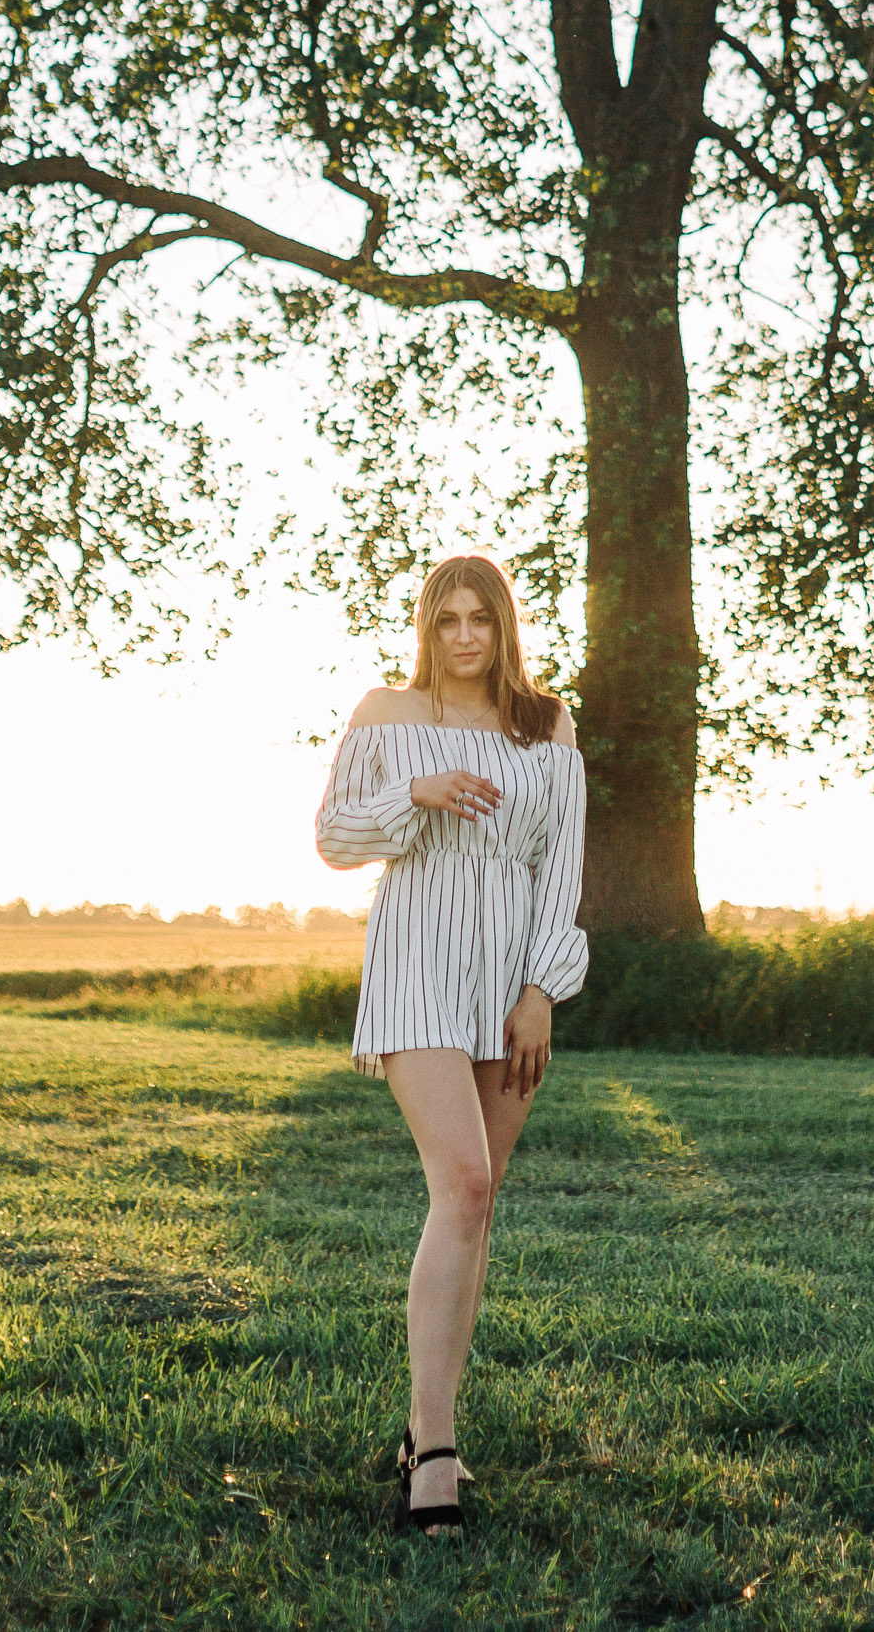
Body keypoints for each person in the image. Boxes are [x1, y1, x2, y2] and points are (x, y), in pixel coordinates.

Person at [314, 552, 588, 1538]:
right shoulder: (385, 711)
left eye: (481, 618)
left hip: (507, 974)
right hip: (416, 958)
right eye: (447, 619)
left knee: (474, 1209)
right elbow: (335, 836)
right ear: (426, 626)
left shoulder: (545, 724)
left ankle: (429, 1425)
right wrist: (413, 791)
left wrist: (539, 991)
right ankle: (433, 1452)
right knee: (461, 1184)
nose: (465, 636)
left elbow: (560, 869)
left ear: (503, 626)